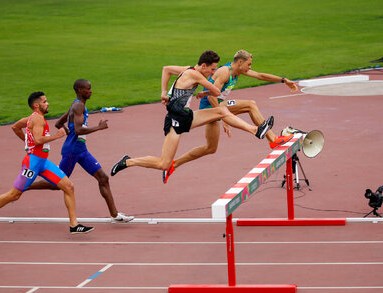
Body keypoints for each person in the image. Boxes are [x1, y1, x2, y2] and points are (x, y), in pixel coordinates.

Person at [110, 50, 274, 176]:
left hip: (187, 116)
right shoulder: (197, 75)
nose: (212, 73)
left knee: (221, 111)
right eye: (212, 69)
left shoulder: (187, 69)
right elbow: (216, 91)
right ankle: (128, 161)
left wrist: (164, 92)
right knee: (164, 164)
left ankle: (256, 130)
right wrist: (208, 89)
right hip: (175, 121)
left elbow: (166, 69)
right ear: (203, 66)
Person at [162, 49, 298, 183]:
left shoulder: (238, 70)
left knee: (210, 148)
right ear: (240, 62)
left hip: (220, 106)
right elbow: (211, 97)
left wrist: (283, 80)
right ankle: (272, 139)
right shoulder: (224, 72)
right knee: (250, 104)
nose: (250, 68)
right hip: (211, 107)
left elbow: (260, 76)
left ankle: (173, 165)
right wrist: (223, 116)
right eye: (248, 64)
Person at [0, 92, 94, 236]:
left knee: (68, 186)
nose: (48, 103)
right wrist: (57, 136)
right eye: (45, 101)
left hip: (43, 162)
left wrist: (27, 142)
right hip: (32, 164)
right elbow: (37, 140)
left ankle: (74, 225)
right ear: (37, 105)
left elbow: (15, 127)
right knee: (14, 195)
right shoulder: (38, 119)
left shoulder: (32, 118)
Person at [19, 79, 134, 223]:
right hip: (72, 152)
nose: (91, 91)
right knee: (57, 184)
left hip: (81, 150)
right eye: (88, 89)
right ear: (80, 90)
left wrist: (69, 133)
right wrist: (99, 127)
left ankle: (115, 215)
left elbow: (58, 123)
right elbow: (79, 130)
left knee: (103, 178)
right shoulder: (78, 106)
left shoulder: (77, 105)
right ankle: (26, 185)